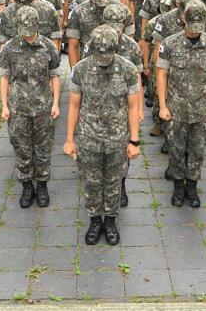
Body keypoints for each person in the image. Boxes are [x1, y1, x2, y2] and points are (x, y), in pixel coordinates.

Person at [64, 25, 141, 246]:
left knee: (114, 181)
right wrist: (70, 139)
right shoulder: (80, 69)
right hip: (89, 137)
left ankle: (110, 220)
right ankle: (95, 219)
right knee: (92, 181)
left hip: (117, 138)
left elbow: (133, 107)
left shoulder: (127, 70)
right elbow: (74, 107)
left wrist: (134, 140)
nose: (103, 59)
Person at [157, 1, 206, 208]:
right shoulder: (169, 44)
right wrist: (162, 105)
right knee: (176, 149)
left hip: (202, 109)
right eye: (191, 23)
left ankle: (192, 186)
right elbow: (162, 75)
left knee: (197, 150)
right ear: (183, 19)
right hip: (176, 108)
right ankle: (178, 186)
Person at [0, 6, 62, 208]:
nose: (26, 35)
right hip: (18, 107)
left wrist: (56, 103)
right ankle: (27, 185)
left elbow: (55, 76)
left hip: (43, 106)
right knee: (21, 147)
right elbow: (5, 77)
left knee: (43, 147)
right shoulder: (9, 48)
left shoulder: (48, 47)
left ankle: (42, 184)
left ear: (37, 26)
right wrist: (4, 106)